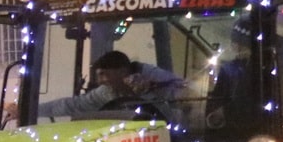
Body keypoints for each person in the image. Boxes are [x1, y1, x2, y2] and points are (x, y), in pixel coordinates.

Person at [28, 50, 183, 121]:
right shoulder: (106, 92)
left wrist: (149, 90)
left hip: (173, 138)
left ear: (122, 71)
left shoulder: (155, 77)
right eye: (98, 76)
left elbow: (187, 94)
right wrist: (30, 110)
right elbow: (72, 105)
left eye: (104, 74)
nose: (101, 81)